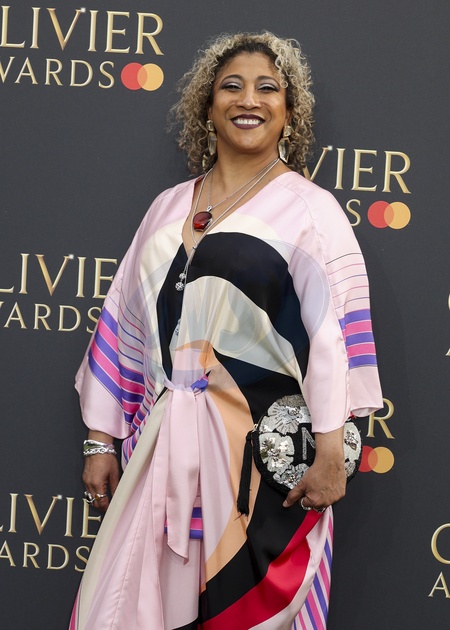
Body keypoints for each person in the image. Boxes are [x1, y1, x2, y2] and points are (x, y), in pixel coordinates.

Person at [70, 31, 382, 630]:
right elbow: (123, 327)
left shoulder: (310, 211)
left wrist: (329, 452)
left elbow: (335, 338)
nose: (249, 100)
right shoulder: (167, 207)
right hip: (158, 449)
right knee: (138, 602)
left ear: (289, 111)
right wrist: (100, 440)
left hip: (258, 464)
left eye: (268, 88)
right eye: (231, 86)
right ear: (207, 107)